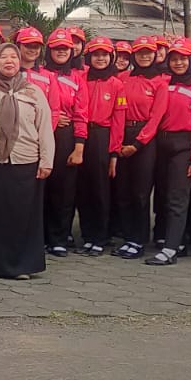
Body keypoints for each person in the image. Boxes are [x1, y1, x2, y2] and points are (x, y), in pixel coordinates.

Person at [0, 44, 53, 278]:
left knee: (20, 216)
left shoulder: (34, 92)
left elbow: (45, 127)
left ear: (20, 61)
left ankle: (20, 266)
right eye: (3, 56)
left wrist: (47, 160)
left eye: (13, 56)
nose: (9, 60)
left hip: (23, 161)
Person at [146, 39, 191, 266]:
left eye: (183, 59)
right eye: (174, 59)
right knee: (162, 195)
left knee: (177, 199)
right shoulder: (163, 83)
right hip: (160, 145)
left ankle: (170, 249)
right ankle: (175, 240)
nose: (178, 63)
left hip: (184, 147)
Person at [108, 37, 168, 259]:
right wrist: (119, 141)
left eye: (148, 52)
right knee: (122, 191)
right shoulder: (122, 78)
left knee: (141, 193)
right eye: (140, 52)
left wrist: (137, 144)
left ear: (154, 55)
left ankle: (139, 240)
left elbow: (156, 117)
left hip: (145, 140)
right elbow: (118, 109)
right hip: (122, 132)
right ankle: (128, 237)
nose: (144, 56)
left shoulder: (160, 83)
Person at [39, 29, 85, 256]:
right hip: (41, 135)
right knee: (41, 188)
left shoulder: (78, 78)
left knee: (64, 191)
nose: (60, 52)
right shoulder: (39, 73)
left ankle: (59, 237)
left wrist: (79, 147)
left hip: (66, 137)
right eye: (56, 48)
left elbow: (81, 114)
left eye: (65, 49)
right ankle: (40, 236)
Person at [76, 37, 119, 254]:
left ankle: (100, 238)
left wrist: (114, 152)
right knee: (83, 188)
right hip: (82, 134)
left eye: (104, 55)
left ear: (111, 57)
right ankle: (87, 234)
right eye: (96, 54)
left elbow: (119, 121)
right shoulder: (81, 78)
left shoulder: (117, 84)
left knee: (100, 189)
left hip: (103, 136)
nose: (100, 59)